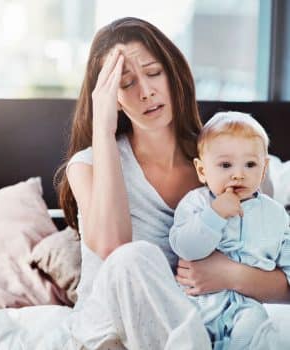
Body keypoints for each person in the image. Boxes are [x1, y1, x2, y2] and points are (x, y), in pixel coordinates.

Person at [55, 17, 290, 349]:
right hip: (112, 334)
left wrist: (229, 275)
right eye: (126, 83)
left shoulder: (228, 163)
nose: (146, 92)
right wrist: (103, 131)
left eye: (153, 73)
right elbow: (112, 247)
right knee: (131, 258)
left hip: (204, 330)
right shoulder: (88, 165)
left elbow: (281, 277)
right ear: (112, 98)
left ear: (173, 72)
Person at [169, 111, 290, 349]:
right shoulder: (197, 204)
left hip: (247, 307)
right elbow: (183, 246)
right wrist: (214, 215)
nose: (238, 174)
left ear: (263, 170)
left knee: (257, 332)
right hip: (198, 303)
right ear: (202, 171)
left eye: (250, 164)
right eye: (225, 165)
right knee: (182, 335)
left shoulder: (276, 215)